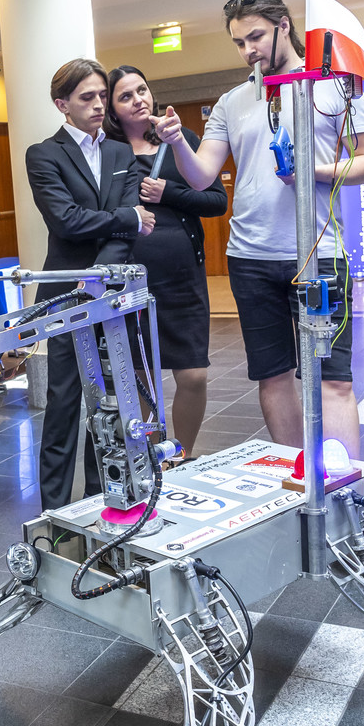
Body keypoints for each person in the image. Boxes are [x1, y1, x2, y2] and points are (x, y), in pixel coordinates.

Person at [153, 0, 364, 457]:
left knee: (333, 379)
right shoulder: (232, 101)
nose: (248, 50)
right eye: (239, 42)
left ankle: (341, 487)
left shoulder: (336, 87)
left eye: (255, 36)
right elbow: (201, 176)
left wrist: (314, 171)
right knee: (273, 376)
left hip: (319, 253)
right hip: (251, 257)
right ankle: (299, 477)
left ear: (283, 26)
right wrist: (177, 142)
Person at [26, 58, 155, 509]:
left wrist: (98, 274)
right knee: (63, 402)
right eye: (87, 97)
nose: (100, 104)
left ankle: (104, 497)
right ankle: (54, 511)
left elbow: (125, 233)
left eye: (102, 95)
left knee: (111, 402)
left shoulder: (121, 153)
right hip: (65, 297)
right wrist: (129, 217)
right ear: (62, 104)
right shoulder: (43, 154)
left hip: (112, 292)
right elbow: (66, 221)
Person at [105, 65, 227, 458]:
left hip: (182, 277)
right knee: (142, 378)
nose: (138, 100)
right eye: (125, 96)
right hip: (131, 280)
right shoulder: (108, 151)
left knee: (193, 375)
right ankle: (148, 459)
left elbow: (216, 201)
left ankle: (182, 456)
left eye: (142, 90)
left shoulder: (181, 139)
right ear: (112, 108)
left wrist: (168, 193)